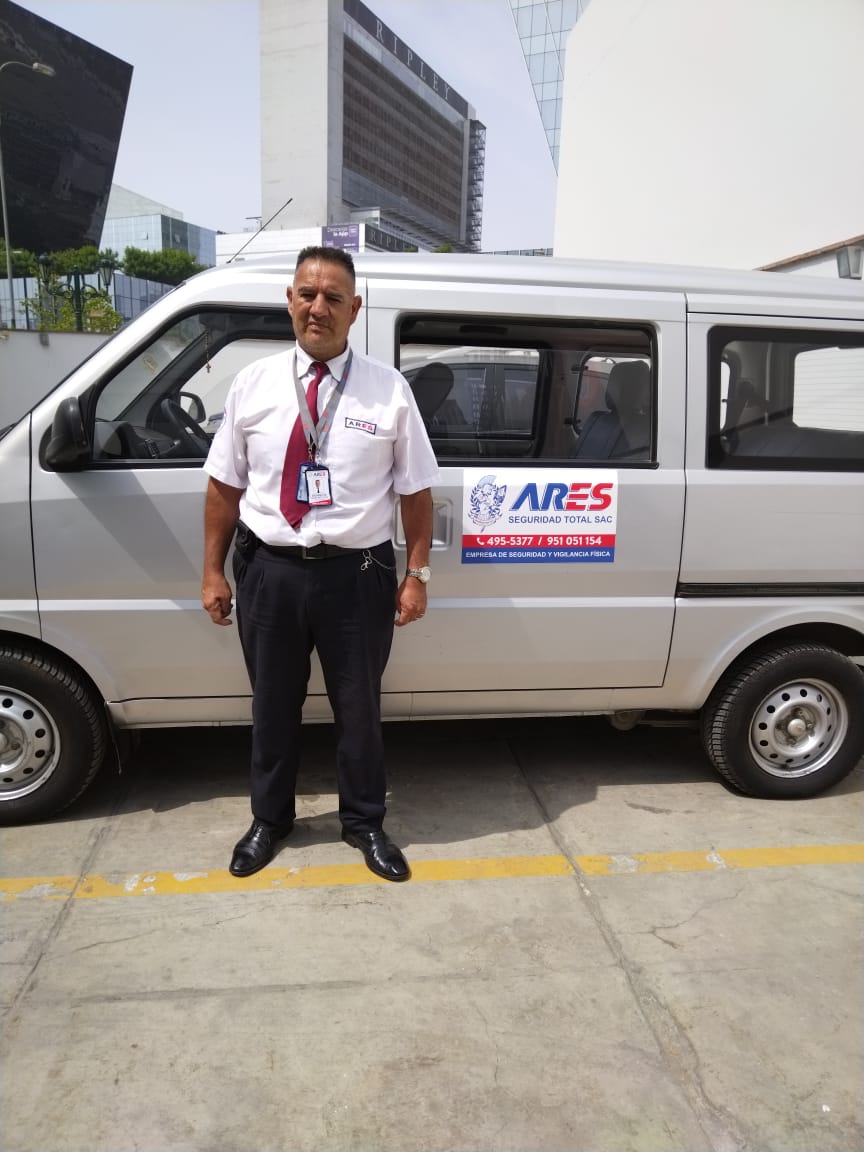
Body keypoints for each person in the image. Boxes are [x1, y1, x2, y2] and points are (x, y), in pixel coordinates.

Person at [201, 246, 438, 882]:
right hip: (269, 570)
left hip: (357, 575)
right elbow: (224, 485)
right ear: (290, 300)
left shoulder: (389, 390)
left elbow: (416, 491)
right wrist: (213, 571)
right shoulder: (252, 385)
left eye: (334, 297)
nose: (318, 307)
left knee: (359, 709)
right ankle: (269, 820)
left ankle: (364, 822)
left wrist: (416, 574)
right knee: (272, 706)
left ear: (354, 309)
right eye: (308, 294)